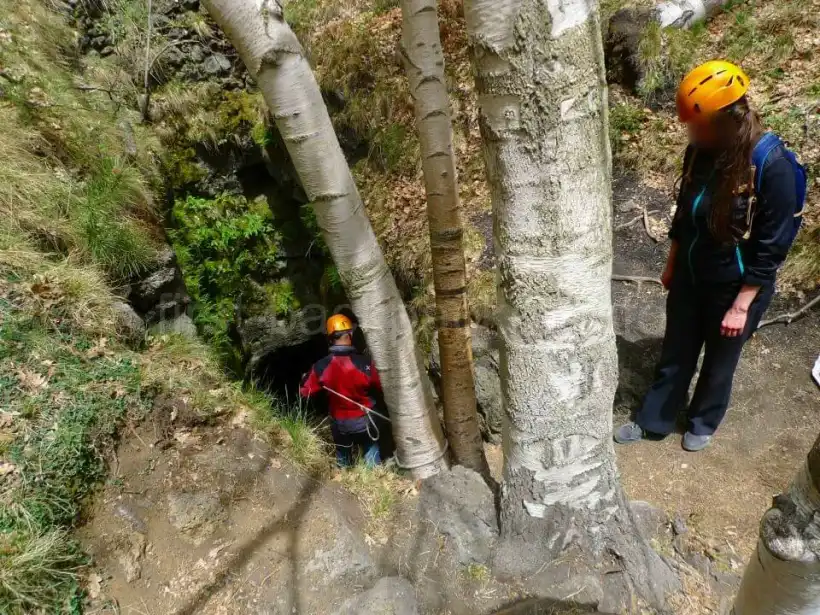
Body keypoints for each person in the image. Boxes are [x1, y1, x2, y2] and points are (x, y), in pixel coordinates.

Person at [615, 60, 806, 452]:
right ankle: (654, 419)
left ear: (725, 120)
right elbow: (685, 212)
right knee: (676, 350)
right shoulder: (701, 151)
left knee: (720, 360)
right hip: (692, 272)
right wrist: (672, 263)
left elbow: (773, 244)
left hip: (736, 284)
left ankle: (704, 419)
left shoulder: (774, 167)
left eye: (696, 125)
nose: (690, 132)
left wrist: (741, 305)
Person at [300, 314, 383, 467]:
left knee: (343, 453)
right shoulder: (365, 363)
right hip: (366, 421)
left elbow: (305, 392)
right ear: (350, 335)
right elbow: (379, 387)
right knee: (371, 449)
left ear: (330, 338)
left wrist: (305, 378)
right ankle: (375, 477)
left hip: (340, 424)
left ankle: (344, 477)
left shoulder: (321, 366)